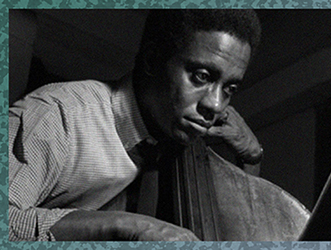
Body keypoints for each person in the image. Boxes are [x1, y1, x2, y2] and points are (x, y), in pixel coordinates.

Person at [9, 9, 263, 241]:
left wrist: (252, 157)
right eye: (201, 77)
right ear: (152, 60)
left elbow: (239, 226)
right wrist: (127, 226)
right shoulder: (58, 114)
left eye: (229, 88)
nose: (216, 104)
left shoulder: (175, 135)